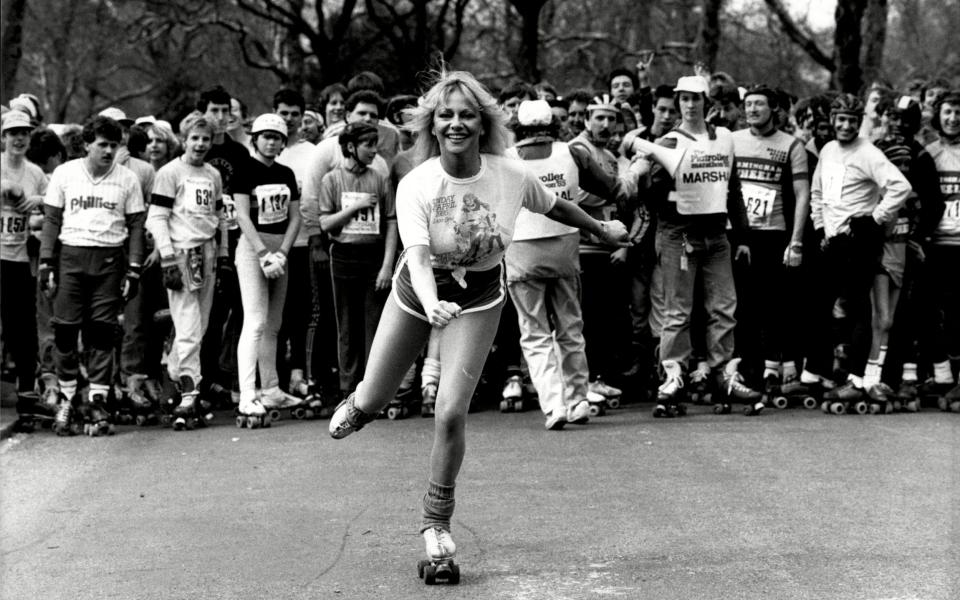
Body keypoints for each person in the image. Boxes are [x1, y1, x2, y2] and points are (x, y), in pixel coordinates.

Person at [326, 71, 628, 576]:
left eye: (467, 114)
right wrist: (431, 304)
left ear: (483, 123)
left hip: (481, 296)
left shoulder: (509, 175)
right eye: (446, 116)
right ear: (433, 125)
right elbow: (418, 258)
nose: (456, 124)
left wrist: (604, 229)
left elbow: (558, 206)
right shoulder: (418, 183)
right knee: (378, 398)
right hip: (416, 293)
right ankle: (362, 402)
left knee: (449, 412)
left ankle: (436, 522)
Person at [505, 99, 641, 429]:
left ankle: (553, 405)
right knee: (570, 327)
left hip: (521, 252)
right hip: (565, 249)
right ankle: (579, 398)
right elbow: (612, 190)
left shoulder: (504, 159)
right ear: (554, 123)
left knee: (534, 333)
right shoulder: (572, 152)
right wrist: (634, 169)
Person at [635, 75, 760, 417]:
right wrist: (646, 173)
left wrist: (744, 237)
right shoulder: (670, 141)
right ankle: (673, 374)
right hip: (681, 235)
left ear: (707, 101)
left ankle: (722, 375)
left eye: (696, 98)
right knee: (678, 310)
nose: (690, 105)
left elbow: (733, 189)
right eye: (684, 99)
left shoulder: (724, 139)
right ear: (678, 102)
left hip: (717, 235)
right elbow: (653, 196)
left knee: (724, 306)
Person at [39, 116, 146, 436]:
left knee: (102, 331)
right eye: (102, 144)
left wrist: (135, 268)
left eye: (114, 145)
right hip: (71, 256)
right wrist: (46, 262)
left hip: (109, 259)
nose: (109, 151)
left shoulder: (127, 179)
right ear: (87, 144)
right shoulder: (65, 173)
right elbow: (52, 220)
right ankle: (68, 397)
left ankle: (98, 398)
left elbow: (137, 225)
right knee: (65, 331)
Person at [806, 94, 911, 413]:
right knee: (822, 306)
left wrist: (874, 220)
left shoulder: (868, 152)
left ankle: (858, 378)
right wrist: (821, 228)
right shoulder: (827, 150)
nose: (846, 126)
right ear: (833, 120)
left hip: (859, 240)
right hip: (832, 239)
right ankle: (819, 373)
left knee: (858, 311)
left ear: (859, 122)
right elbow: (817, 192)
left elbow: (900, 187)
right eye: (841, 119)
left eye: (853, 120)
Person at [146, 115, 228, 429]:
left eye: (205, 139)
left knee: (200, 325)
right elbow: (157, 218)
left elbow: (219, 218)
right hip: (180, 252)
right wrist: (167, 256)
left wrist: (222, 256)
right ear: (184, 139)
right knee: (189, 325)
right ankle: (188, 393)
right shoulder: (170, 173)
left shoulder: (212, 174)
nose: (200, 144)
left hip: (206, 253)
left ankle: (173, 381)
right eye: (195, 138)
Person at [730, 85, 810, 397]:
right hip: (739, 235)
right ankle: (745, 372)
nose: (752, 110)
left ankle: (771, 368)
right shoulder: (732, 140)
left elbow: (803, 195)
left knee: (773, 307)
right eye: (748, 104)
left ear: (773, 108)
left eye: (759, 104)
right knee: (741, 306)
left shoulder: (791, 145)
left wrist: (797, 241)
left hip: (773, 234)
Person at [869, 96, 944, 411]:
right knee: (874, 315)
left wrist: (917, 236)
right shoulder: (873, 151)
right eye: (893, 119)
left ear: (916, 123)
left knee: (903, 316)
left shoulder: (921, 156)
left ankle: (898, 378)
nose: (898, 125)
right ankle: (869, 376)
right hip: (874, 243)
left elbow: (934, 204)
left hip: (907, 246)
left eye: (905, 120)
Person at [232, 114, 304, 427]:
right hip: (253, 249)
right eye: (266, 136)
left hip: (280, 250)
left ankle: (271, 388)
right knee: (256, 320)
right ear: (255, 138)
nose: (271, 142)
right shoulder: (245, 170)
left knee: (274, 323)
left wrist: (283, 253)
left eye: (277, 137)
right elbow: (242, 215)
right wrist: (262, 254)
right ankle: (248, 394)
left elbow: (295, 217)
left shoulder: (287, 173)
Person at [319, 121, 397, 400]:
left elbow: (391, 221)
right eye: (368, 145)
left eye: (376, 144)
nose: (373, 151)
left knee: (374, 322)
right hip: (343, 256)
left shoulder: (379, 178)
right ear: (350, 147)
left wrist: (387, 265)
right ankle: (347, 386)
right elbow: (326, 222)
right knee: (347, 323)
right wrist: (354, 207)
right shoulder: (331, 179)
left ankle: (373, 385)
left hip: (373, 256)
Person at [918, 90, 960, 410]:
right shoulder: (928, 153)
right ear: (937, 114)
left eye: (959, 112)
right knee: (931, 310)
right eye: (948, 112)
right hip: (935, 244)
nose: (954, 118)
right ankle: (943, 376)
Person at [2, 111, 46, 414]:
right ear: (3, 137)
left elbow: (53, 204)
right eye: (13, 133)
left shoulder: (35, 173)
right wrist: (9, 189)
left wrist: (38, 203)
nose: (19, 139)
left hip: (20, 259)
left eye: (24, 133)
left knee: (24, 328)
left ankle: (28, 394)